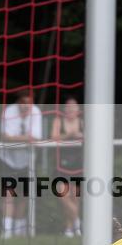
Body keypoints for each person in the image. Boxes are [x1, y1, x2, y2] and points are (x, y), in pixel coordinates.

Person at [0, 91, 43, 238]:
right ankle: (6, 231)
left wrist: (17, 138)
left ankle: (18, 231)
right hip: (8, 160)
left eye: (29, 103)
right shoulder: (9, 111)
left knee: (24, 196)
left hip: (27, 161)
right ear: (19, 102)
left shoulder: (36, 112)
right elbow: (6, 137)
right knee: (8, 195)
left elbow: (36, 138)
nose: (26, 106)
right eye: (23, 102)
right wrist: (25, 138)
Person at [51, 97, 83, 237]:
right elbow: (53, 137)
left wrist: (79, 135)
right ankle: (78, 223)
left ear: (78, 110)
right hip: (61, 164)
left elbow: (91, 136)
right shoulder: (58, 121)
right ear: (64, 109)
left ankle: (70, 229)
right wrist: (68, 135)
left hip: (78, 164)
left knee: (74, 198)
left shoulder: (82, 122)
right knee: (63, 196)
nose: (70, 110)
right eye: (68, 107)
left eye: (73, 107)